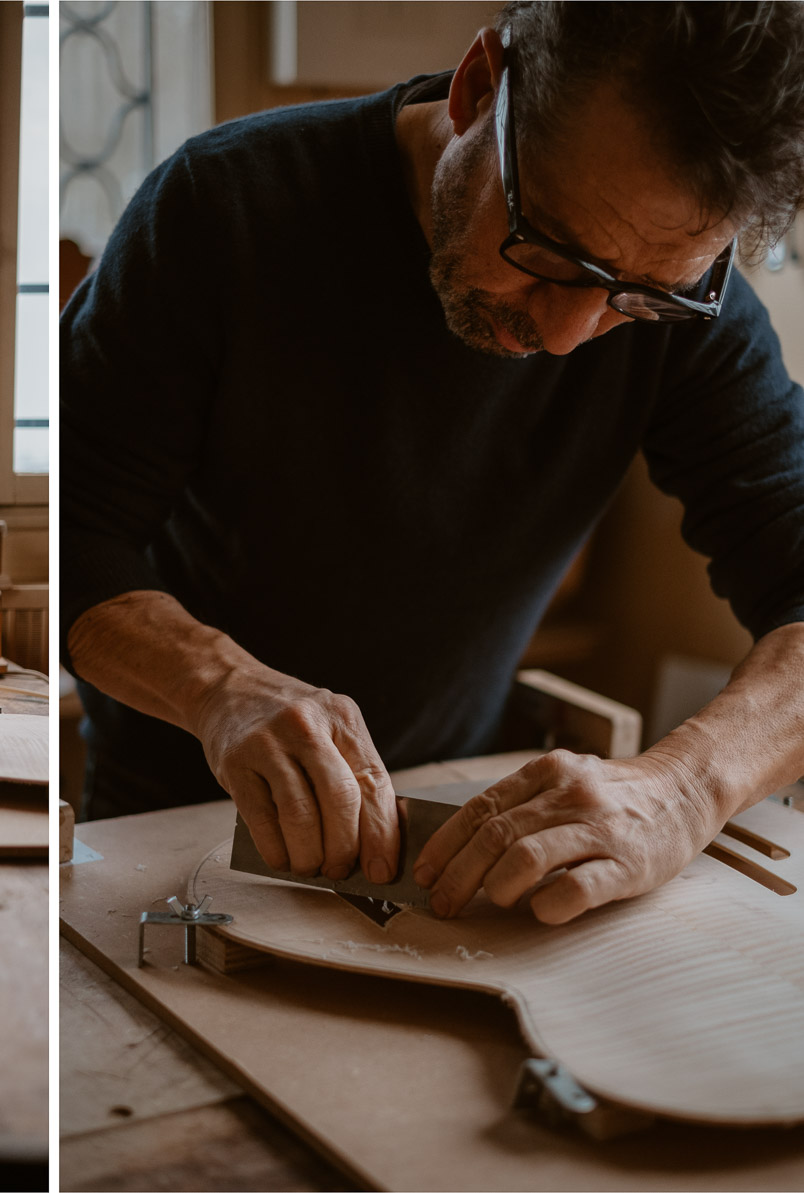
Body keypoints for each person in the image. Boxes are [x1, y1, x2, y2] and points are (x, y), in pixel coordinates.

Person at [61, 1, 804, 924]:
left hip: (448, 814)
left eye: (642, 295)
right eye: (552, 252)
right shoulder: (221, 207)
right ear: (478, 89)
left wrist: (685, 789)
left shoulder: (693, 310)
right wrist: (218, 686)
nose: (573, 334)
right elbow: (68, 537)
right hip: (169, 823)